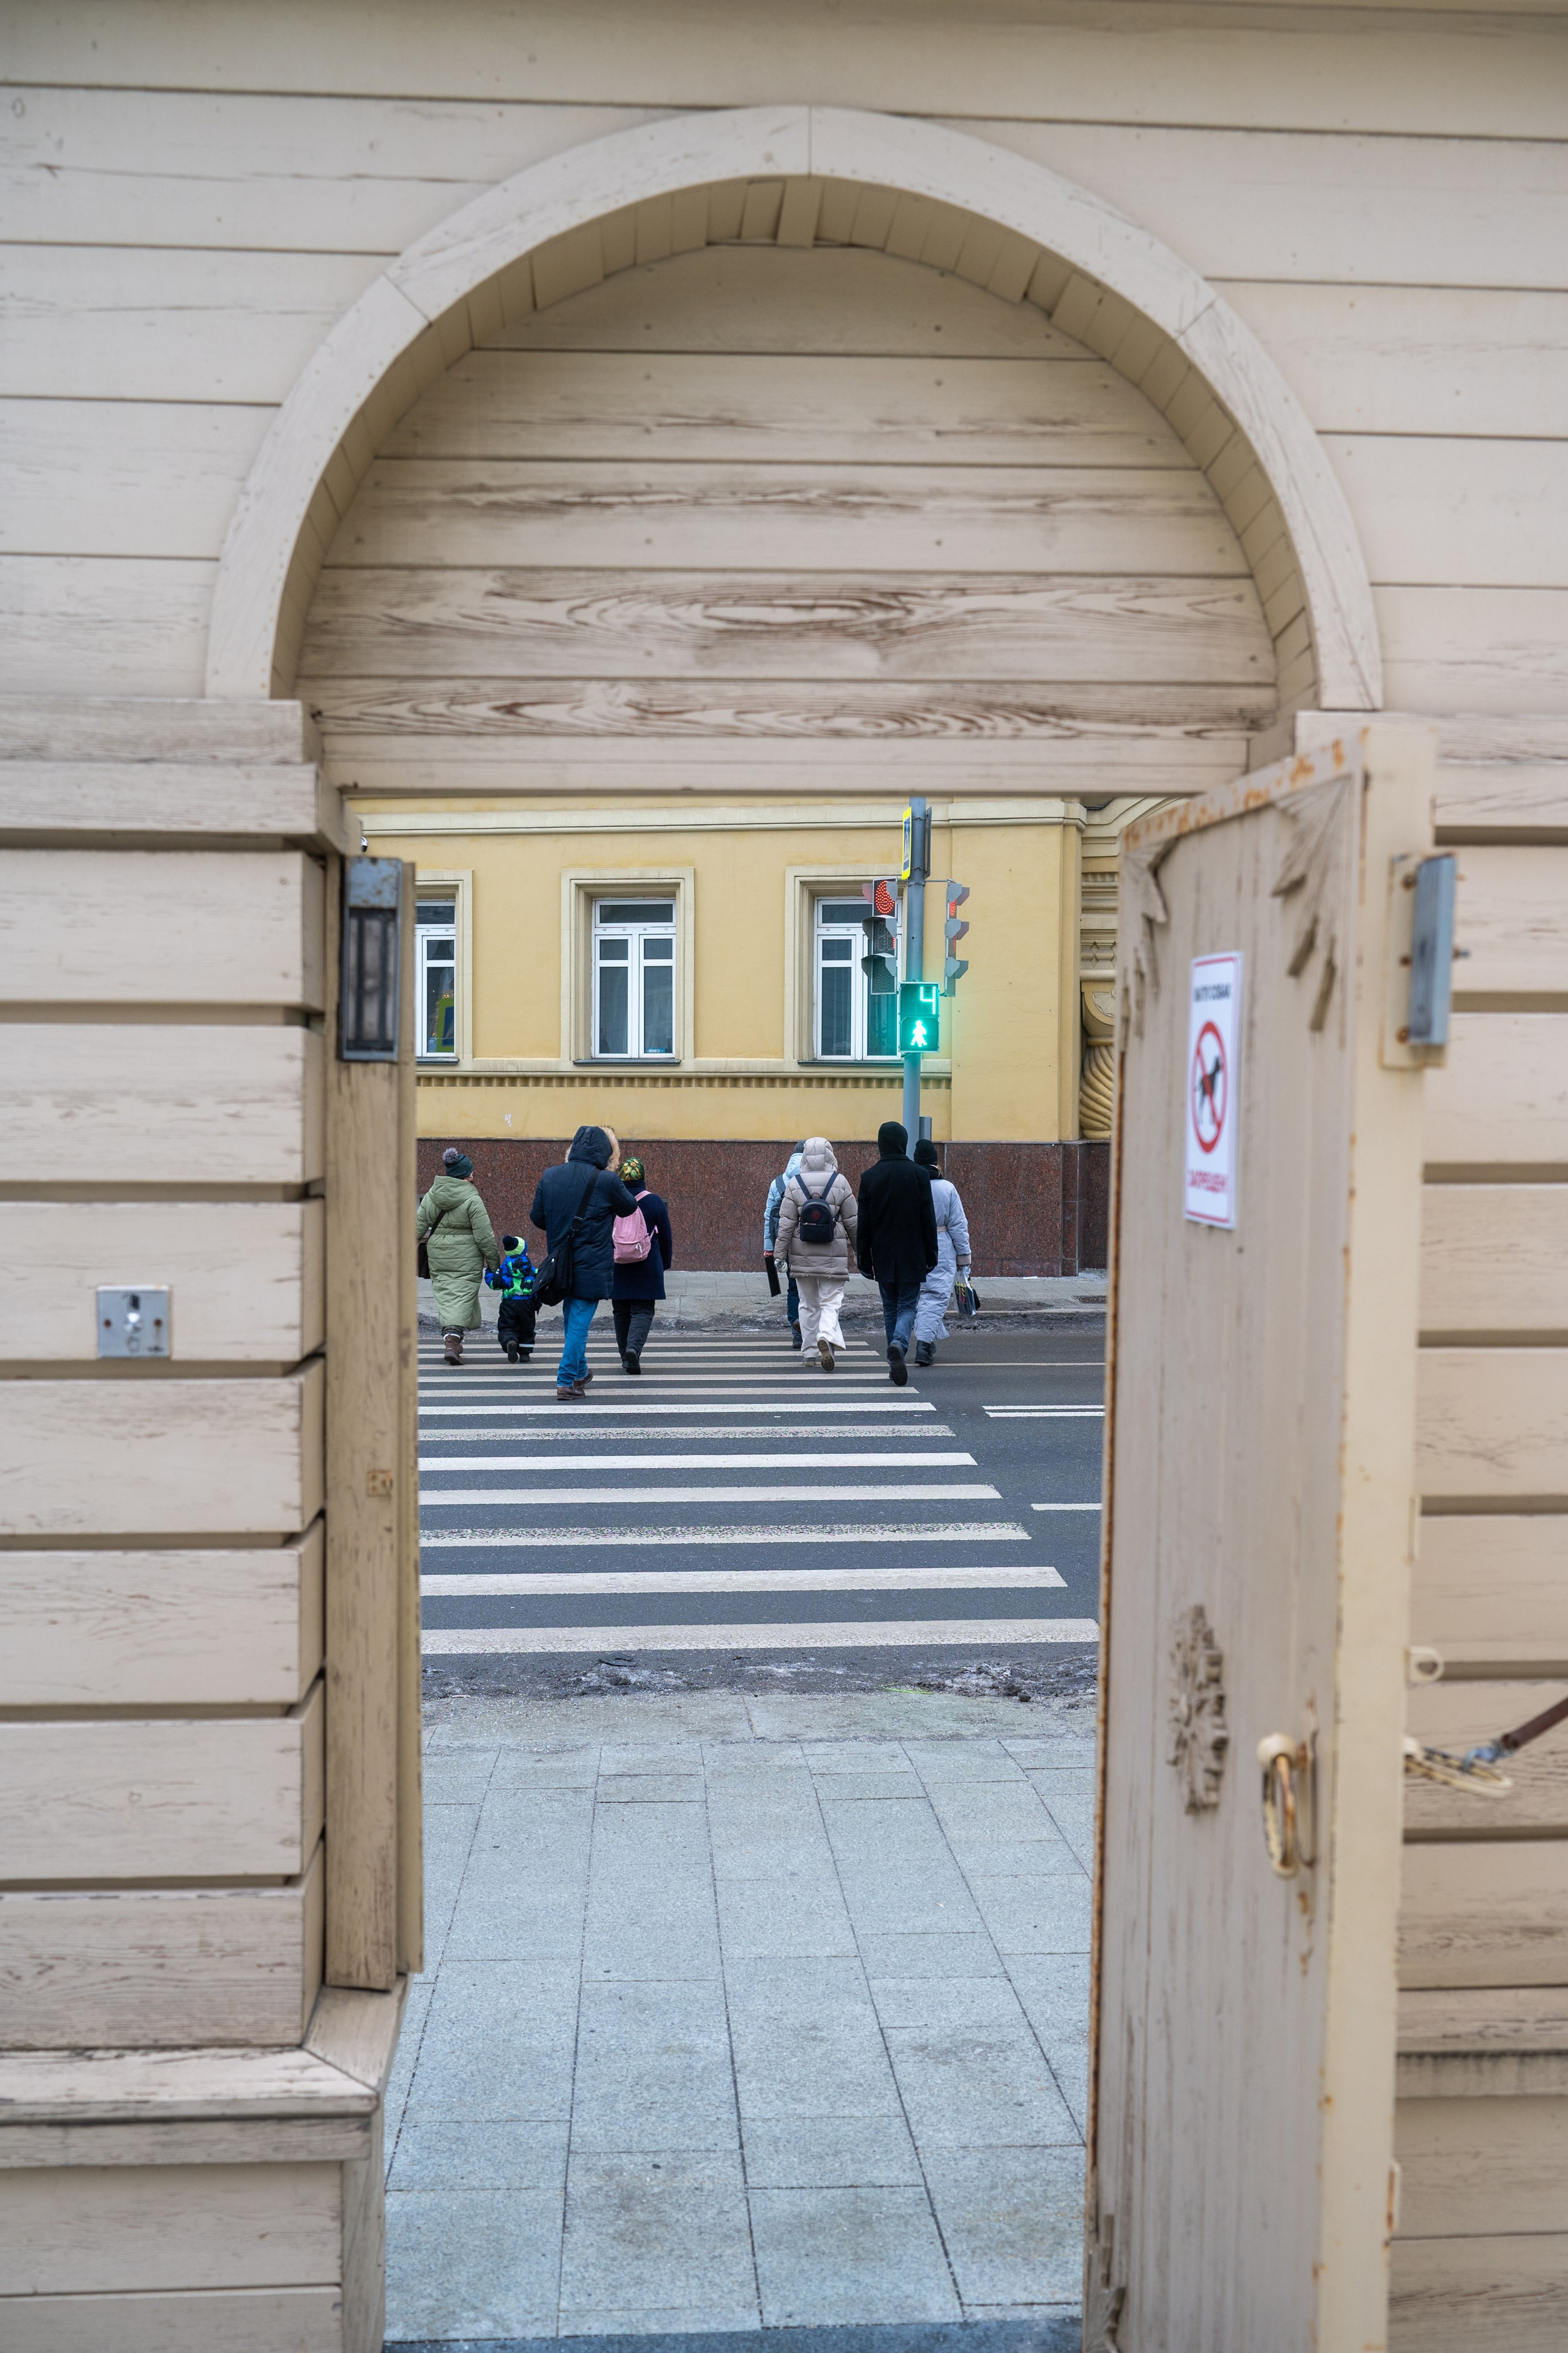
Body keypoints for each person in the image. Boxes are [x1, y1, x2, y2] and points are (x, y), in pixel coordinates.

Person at [529, 1125, 639, 1401]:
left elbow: (538, 1218)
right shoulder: (607, 1181)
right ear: (606, 1154)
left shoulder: (550, 1175)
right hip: (592, 1264)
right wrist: (611, 1176)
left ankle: (580, 1372)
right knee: (578, 1323)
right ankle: (566, 1380)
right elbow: (629, 1207)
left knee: (572, 1320)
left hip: (560, 1263)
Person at [854, 1119, 938, 1385]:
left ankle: (895, 1361)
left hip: (882, 1254)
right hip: (913, 1253)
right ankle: (900, 1344)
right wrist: (932, 1254)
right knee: (908, 1306)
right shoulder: (919, 1175)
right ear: (904, 1144)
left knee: (890, 1308)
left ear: (880, 1145)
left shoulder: (869, 1178)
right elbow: (928, 1218)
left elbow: (864, 1223)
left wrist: (863, 1259)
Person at [772, 1135, 858, 1372]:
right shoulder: (840, 1182)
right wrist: (861, 1252)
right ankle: (826, 1334)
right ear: (830, 1155)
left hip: (802, 1253)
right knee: (831, 1302)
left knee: (808, 1304)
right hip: (834, 1252)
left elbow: (786, 1224)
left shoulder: (795, 1183)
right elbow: (852, 1221)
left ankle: (809, 1352)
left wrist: (780, 1256)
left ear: (806, 1157)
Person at [417, 1146, 500, 1366]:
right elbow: (485, 1237)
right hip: (467, 1257)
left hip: (438, 1256)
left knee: (446, 1298)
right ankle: (452, 1340)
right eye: (471, 1173)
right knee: (463, 1297)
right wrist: (493, 1263)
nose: (474, 1176)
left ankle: (453, 1340)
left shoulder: (430, 1196)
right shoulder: (473, 1200)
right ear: (467, 1175)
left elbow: (416, 1230)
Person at [611, 1154, 674, 1375]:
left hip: (618, 1265)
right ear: (643, 1177)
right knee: (643, 1311)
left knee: (620, 1312)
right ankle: (633, 1350)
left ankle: (624, 1356)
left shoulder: (612, 1201)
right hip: (646, 1266)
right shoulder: (654, 1202)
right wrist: (664, 1264)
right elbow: (666, 1237)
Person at [911, 1139, 972, 1366]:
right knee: (936, 1296)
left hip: (914, 1244)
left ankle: (929, 1341)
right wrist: (964, 1257)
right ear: (936, 1162)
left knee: (919, 1295)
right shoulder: (947, 1188)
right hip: (941, 1245)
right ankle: (924, 1346)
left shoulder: (910, 1185)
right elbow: (958, 1225)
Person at [764, 1144, 805, 1348]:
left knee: (793, 1287)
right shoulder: (818, 1178)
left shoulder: (778, 1182)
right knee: (814, 1287)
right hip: (813, 1242)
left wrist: (769, 1245)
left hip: (786, 1243)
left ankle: (796, 1330)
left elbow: (769, 1217)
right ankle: (813, 1329)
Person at [486, 1233, 538, 1364]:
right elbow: (539, 1284)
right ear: (524, 1251)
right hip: (528, 1303)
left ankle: (510, 1341)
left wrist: (489, 1272)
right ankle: (525, 1354)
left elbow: (494, 1284)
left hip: (509, 1303)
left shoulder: (504, 1269)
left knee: (507, 1326)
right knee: (527, 1328)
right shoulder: (532, 1269)